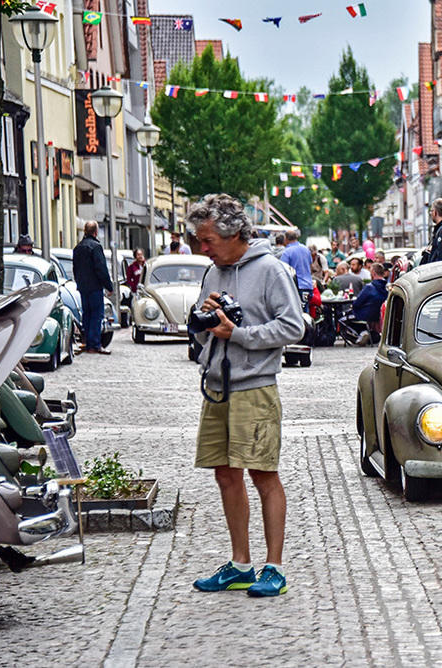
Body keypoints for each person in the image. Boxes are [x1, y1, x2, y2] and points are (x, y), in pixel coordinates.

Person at [189, 193, 305, 598]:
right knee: (225, 474)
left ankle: (274, 568)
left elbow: (293, 327)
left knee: (263, 475)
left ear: (234, 233)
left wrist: (238, 334)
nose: (202, 248)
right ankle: (240, 564)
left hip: (255, 386)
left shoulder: (271, 270)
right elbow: (204, 326)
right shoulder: (213, 272)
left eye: (208, 241)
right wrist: (204, 320)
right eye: (200, 241)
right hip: (217, 385)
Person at [72, 221, 113, 354]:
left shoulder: (78, 248)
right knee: (97, 315)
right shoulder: (96, 247)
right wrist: (109, 286)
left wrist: (79, 282)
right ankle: (94, 344)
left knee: (87, 315)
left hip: (83, 287)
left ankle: (87, 342)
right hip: (95, 286)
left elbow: (75, 269)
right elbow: (101, 269)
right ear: (95, 232)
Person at [351, 262, 389, 346]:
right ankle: (368, 334)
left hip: (365, 315)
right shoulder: (387, 287)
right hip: (378, 316)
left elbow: (357, 303)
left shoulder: (369, 287)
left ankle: (362, 333)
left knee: (344, 318)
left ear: (373, 274)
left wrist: (353, 306)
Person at [278, 229, 313, 308]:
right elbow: (310, 266)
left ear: (286, 239)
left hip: (296, 287)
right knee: (306, 312)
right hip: (308, 286)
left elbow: (283, 269)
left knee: (297, 312)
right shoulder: (306, 249)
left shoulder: (287, 252)